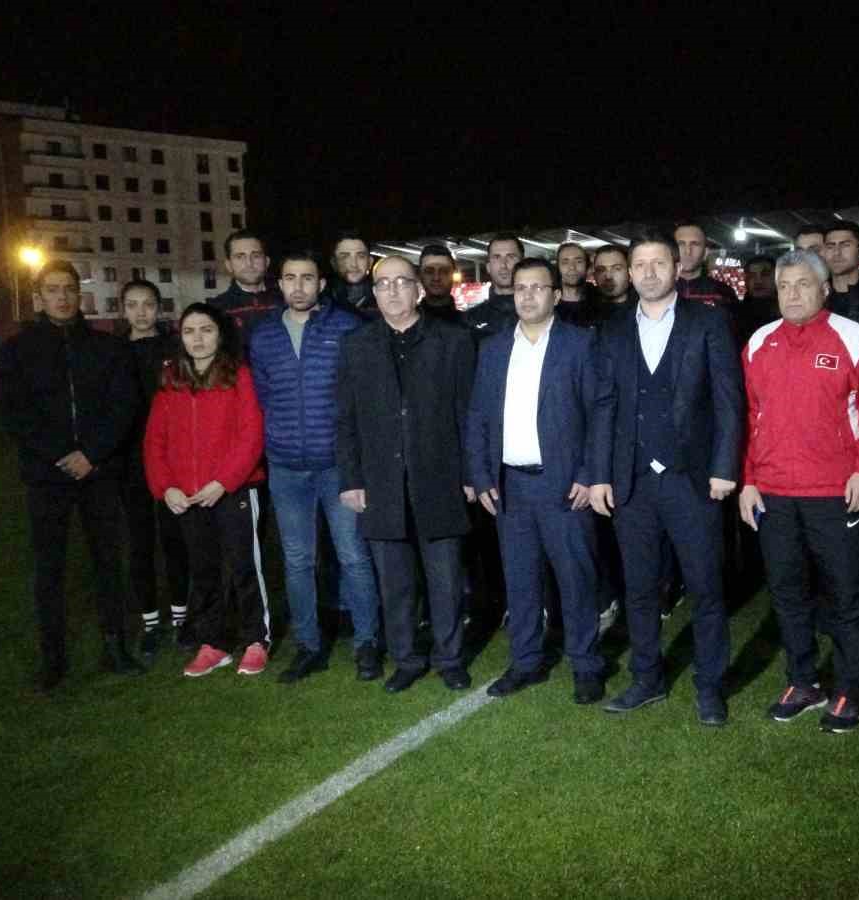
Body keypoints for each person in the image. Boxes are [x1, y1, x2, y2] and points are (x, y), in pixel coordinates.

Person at [588, 229, 744, 726]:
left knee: (705, 587)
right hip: (632, 482)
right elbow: (604, 406)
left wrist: (724, 467)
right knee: (639, 588)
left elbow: (729, 400)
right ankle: (647, 678)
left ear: (677, 268)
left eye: (659, 263)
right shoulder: (612, 329)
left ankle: (710, 685)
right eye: (640, 265)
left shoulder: (708, 321)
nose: (649, 273)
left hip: (691, 480)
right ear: (629, 272)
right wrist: (599, 475)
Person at [739, 249, 859, 733]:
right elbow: (750, 418)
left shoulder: (853, 337)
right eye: (784, 286)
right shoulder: (759, 342)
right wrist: (749, 480)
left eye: (803, 284)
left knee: (846, 594)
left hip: (834, 491)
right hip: (775, 492)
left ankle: (852, 687)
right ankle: (803, 681)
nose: (793, 294)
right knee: (787, 593)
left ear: (824, 289)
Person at [466, 259, 610, 702]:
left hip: (563, 484)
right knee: (521, 580)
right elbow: (478, 416)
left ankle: (586, 664)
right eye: (521, 288)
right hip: (511, 486)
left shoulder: (580, 344)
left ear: (555, 294)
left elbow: (601, 412)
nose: (528, 296)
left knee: (575, 579)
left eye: (538, 287)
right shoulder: (493, 348)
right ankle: (526, 661)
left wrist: (589, 474)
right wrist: (481, 474)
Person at [0, 260, 141, 691]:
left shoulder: (107, 348)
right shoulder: (17, 350)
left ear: (80, 295)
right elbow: (15, 413)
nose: (62, 297)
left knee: (108, 562)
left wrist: (91, 453)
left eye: (69, 289)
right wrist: (62, 454)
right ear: (39, 297)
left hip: (99, 473)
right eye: (52, 290)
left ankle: (116, 646)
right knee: (49, 569)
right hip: (48, 476)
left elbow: (124, 405)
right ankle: (53, 659)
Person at [338, 255, 478, 693]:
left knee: (446, 580)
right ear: (374, 293)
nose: (393, 291)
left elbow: (469, 413)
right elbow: (346, 417)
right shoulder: (356, 344)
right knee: (395, 583)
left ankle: (449, 658)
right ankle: (406, 659)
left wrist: (471, 474)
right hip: (381, 483)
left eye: (401, 282)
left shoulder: (454, 341)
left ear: (418, 290)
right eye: (383, 284)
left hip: (439, 479)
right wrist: (351, 479)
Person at [248, 250, 382, 684]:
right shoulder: (264, 335)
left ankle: (367, 642)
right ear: (280, 284)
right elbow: (265, 396)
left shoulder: (345, 327)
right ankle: (309, 646)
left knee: (353, 555)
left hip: (337, 465)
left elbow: (361, 393)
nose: (299, 286)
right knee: (297, 560)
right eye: (290, 278)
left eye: (307, 278)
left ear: (322, 284)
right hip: (287, 467)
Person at [144, 303, 271, 677]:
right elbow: (155, 441)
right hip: (188, 497)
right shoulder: (171, 381)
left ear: (220, 334)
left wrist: (224, 482)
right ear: (180, 338)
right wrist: (166, 487)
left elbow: (251, 434)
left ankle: (256, 639)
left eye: (206, 330)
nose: (198, 338)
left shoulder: (239, 376)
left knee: (244, 566)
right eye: (189, 331)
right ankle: (214, 643)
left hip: (234, 491)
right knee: (204, 571)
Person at [118, 280, 191, 660]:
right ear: (123, 310)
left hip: (171, 460)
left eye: (147, 304)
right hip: (129, 462)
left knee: (175, 540)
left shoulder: (173, 349)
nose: (141, 312)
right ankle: (149, 621)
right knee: (140, 543)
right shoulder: (114, 351)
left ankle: (181, 617)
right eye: (133, 305)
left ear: (158, 308)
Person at [210, 229, 280, 343]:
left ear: (267, 262)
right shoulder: (216, 310)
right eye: (240, 257)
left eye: (256, 256)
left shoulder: (286, 303)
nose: (249, 263)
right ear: (229, 265)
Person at [464, 234, 522, 338]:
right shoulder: (470, 319)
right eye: (496, 257)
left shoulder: (542, 314)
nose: (503, 265)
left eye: (511, 257)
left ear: (523, 264)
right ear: (488, 267)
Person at [673, 221, 739, 308]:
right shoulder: (660, 291)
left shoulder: (723, 293)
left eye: (695, 244)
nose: (688, 251)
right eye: (681, 244)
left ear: (705, 253)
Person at [323, 231, 378, 319]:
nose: (354, 264)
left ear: (370, 262)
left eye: (361, 256)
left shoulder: (384, 298)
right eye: (344, 257)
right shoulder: (320, 302)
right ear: (334, 263)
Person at [734, 254, 779, 350]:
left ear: (777, 277)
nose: (758, 281)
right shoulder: (735, 316)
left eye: (765, 274)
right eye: (752, 275)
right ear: (746, 280)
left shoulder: (789, 314)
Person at [418, 244, 464, 325]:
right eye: (429, 271)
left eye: (444, 271)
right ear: (420, 275)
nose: (436, 278)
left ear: (453, 274)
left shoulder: (469, 325)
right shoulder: (405, 323)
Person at [554, 241, 598, 325]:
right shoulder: (548, 303)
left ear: (587, 266)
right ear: (558, 267)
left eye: (578, 261)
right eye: (565, 262)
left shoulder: (601, 300)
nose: (572, 267)